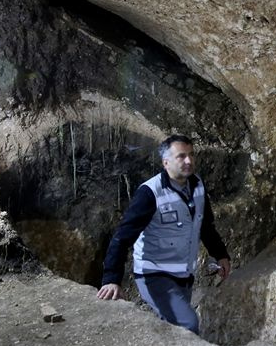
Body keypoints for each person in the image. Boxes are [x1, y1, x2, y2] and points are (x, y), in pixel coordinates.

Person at [96, 134, 231, 334]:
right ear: (165, 162)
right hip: (154, 274)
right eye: (182, 156)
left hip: (184, 274)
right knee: (188, 324)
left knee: (172, 328)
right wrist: (111, 279)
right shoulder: (150, 193)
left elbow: (205, 226)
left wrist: (220, 254)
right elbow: (123, 236)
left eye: (191, 155)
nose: (189, 161)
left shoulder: (198, 186)